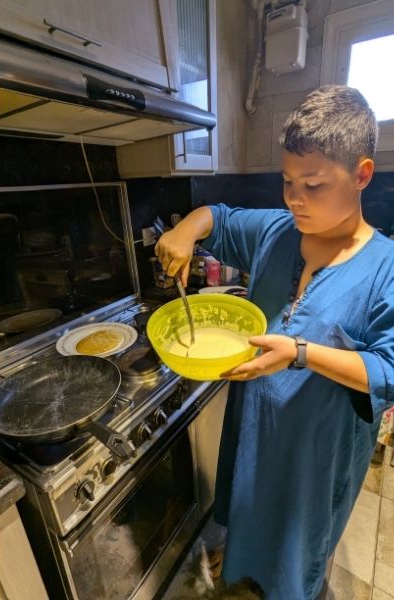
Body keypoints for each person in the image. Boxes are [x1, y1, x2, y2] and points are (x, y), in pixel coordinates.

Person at [155, 85, 394, 600]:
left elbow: (388, 371)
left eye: (312, 185)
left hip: (315, 454)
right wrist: (185, 233)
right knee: (246, 511)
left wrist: (300, 354)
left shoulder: (385, 267)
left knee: (296, 549)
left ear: (361, 175)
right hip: (254, 431)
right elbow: (215, 216)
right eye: (287, 182)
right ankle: (242, 566)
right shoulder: (276, 232)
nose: (294, 199)